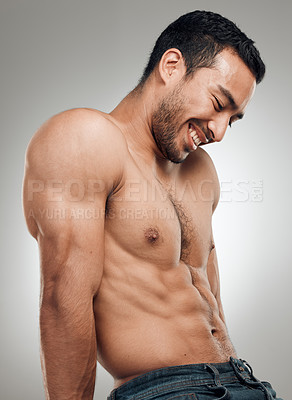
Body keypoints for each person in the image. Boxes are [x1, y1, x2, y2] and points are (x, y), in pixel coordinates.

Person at [22, 9, 283, 400]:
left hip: (244, 381)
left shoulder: (200, 171)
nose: (219, 131)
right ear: (172, 66)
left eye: (234, 118)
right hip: (167, 390)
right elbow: (61, 300)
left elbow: (210, 302)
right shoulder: (85, 138)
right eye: (218, 102)